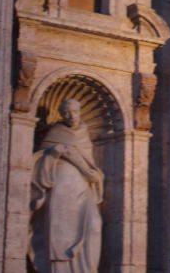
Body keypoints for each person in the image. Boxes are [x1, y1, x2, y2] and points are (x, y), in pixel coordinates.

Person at [29, 98, 104, 273]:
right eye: (66, 113)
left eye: (74, 112)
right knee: (61, 232)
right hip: (61, 186)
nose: (71, 116)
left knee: (94, 224)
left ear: (80, 111)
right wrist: (53, 154)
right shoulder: (55, 133)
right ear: (62, 114)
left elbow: (89, 163)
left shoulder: (84, 134)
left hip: (83, 188)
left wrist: (94, 175)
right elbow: (37, 162)